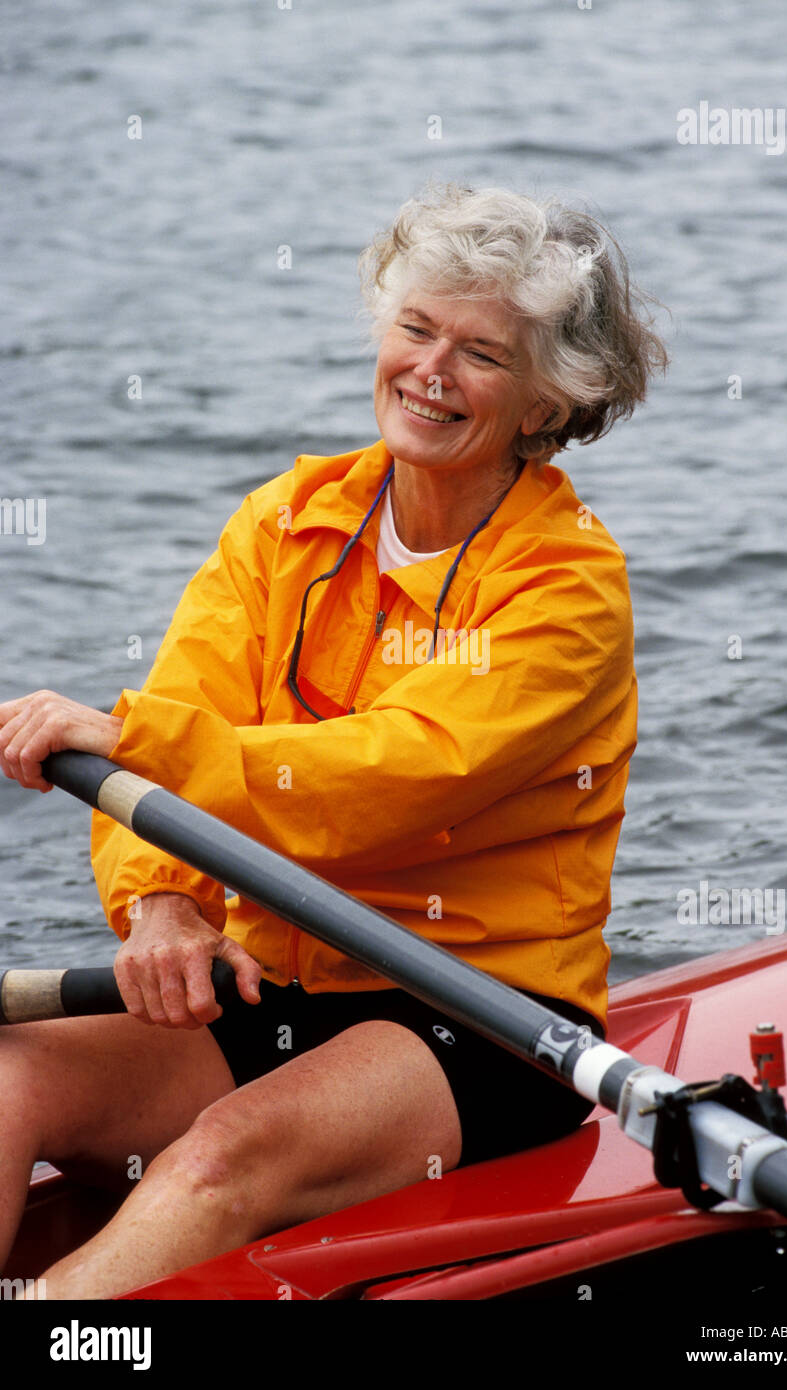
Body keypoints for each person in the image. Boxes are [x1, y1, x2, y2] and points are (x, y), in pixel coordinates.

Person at [0, 182, 667, 1299]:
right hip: (272, 981)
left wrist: (136, 738)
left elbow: (396, 772)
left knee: (222, 1156)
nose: (430, 372)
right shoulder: (283, 521)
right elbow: (173, 726)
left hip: (481, 1012)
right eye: (414, 329)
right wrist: (165, 904)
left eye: (481, 355)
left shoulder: (569, 585)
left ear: (549, 401)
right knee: (10, 1074)